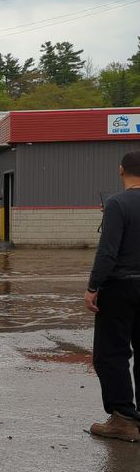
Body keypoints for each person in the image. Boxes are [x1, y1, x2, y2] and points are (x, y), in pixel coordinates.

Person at [85, 150, 140, 441]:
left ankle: (123, 419)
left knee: (111, 354)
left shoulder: (117, 204)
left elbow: (107, 253)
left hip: (120, 288)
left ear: (121, 170)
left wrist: (93, 287)